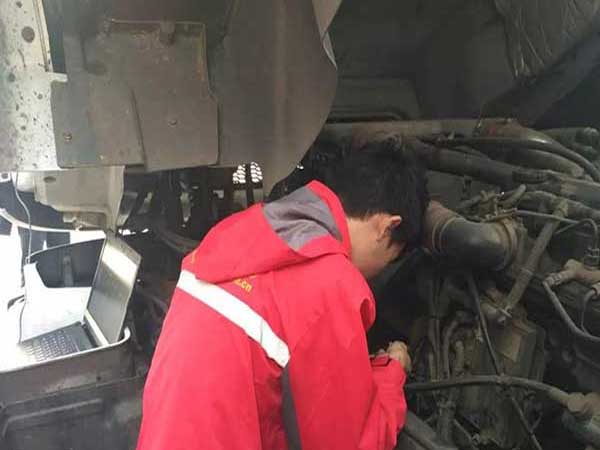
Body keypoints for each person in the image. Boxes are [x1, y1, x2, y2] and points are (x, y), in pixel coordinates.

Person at [136, 136, 429, 450]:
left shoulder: (245, 229)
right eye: (389, 258)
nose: (379, 270)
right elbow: (350, 443)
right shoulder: (333, 284)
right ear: (387, 227)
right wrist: (390, 372)